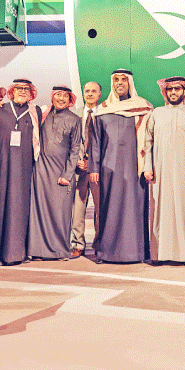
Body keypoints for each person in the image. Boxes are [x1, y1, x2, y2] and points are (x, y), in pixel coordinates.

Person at [89, 69, 153, 263]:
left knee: (135, 209)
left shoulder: (143, 108)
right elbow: (95, 143)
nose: (119, 83)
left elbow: (149, 141)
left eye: (123, 80)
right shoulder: (103, 110)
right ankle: (107, 253)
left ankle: (137, 253)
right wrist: (94, 168)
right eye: (116, 80)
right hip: (109, 170)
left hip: (135, 170)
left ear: (130, 83)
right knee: (109, 209)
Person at [144, 76, 185, 266]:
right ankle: (159, 254)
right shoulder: (157, 113)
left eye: (177, 89)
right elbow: (148, 143)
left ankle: (184, 254)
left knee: (183, 211)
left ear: (184, 91)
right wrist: (148, 167)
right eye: (169, 89)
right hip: (160, 171)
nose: (173, 92)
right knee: (160, 212)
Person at [0, 79, 40, 266]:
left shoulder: (35, 112)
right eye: (19, 89)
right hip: (2, 168)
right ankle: (0, 254)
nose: (23, 92)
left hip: (25, 170)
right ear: (12, 91)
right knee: (1, 209)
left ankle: (20, 253)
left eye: (26, 89)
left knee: (21, 210)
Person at [28, 86, 81, 260]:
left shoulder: (74, 119)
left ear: (70, 100)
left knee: (60, 213)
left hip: (61, 173)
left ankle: (60, 251)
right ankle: (38, 251)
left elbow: (75, 149)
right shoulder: (42, 115)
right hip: (41, 170)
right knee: (39, 211)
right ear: (52, 97)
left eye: (65, 96)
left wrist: (67, 174)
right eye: (58, 95)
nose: (61, 99)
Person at [71, 81, 101, 258]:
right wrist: (77, 161)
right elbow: (69, 142)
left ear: (99, 95)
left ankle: (99, 244)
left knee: (100, 209)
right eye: (87, 91)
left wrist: (94, 163)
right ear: (83, 94)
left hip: (98, 171)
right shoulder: (75, 115)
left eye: (93, 91)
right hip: (79, 170)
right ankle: (78, 245)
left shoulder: (105, 114)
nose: (90, 94)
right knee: (78, 209)